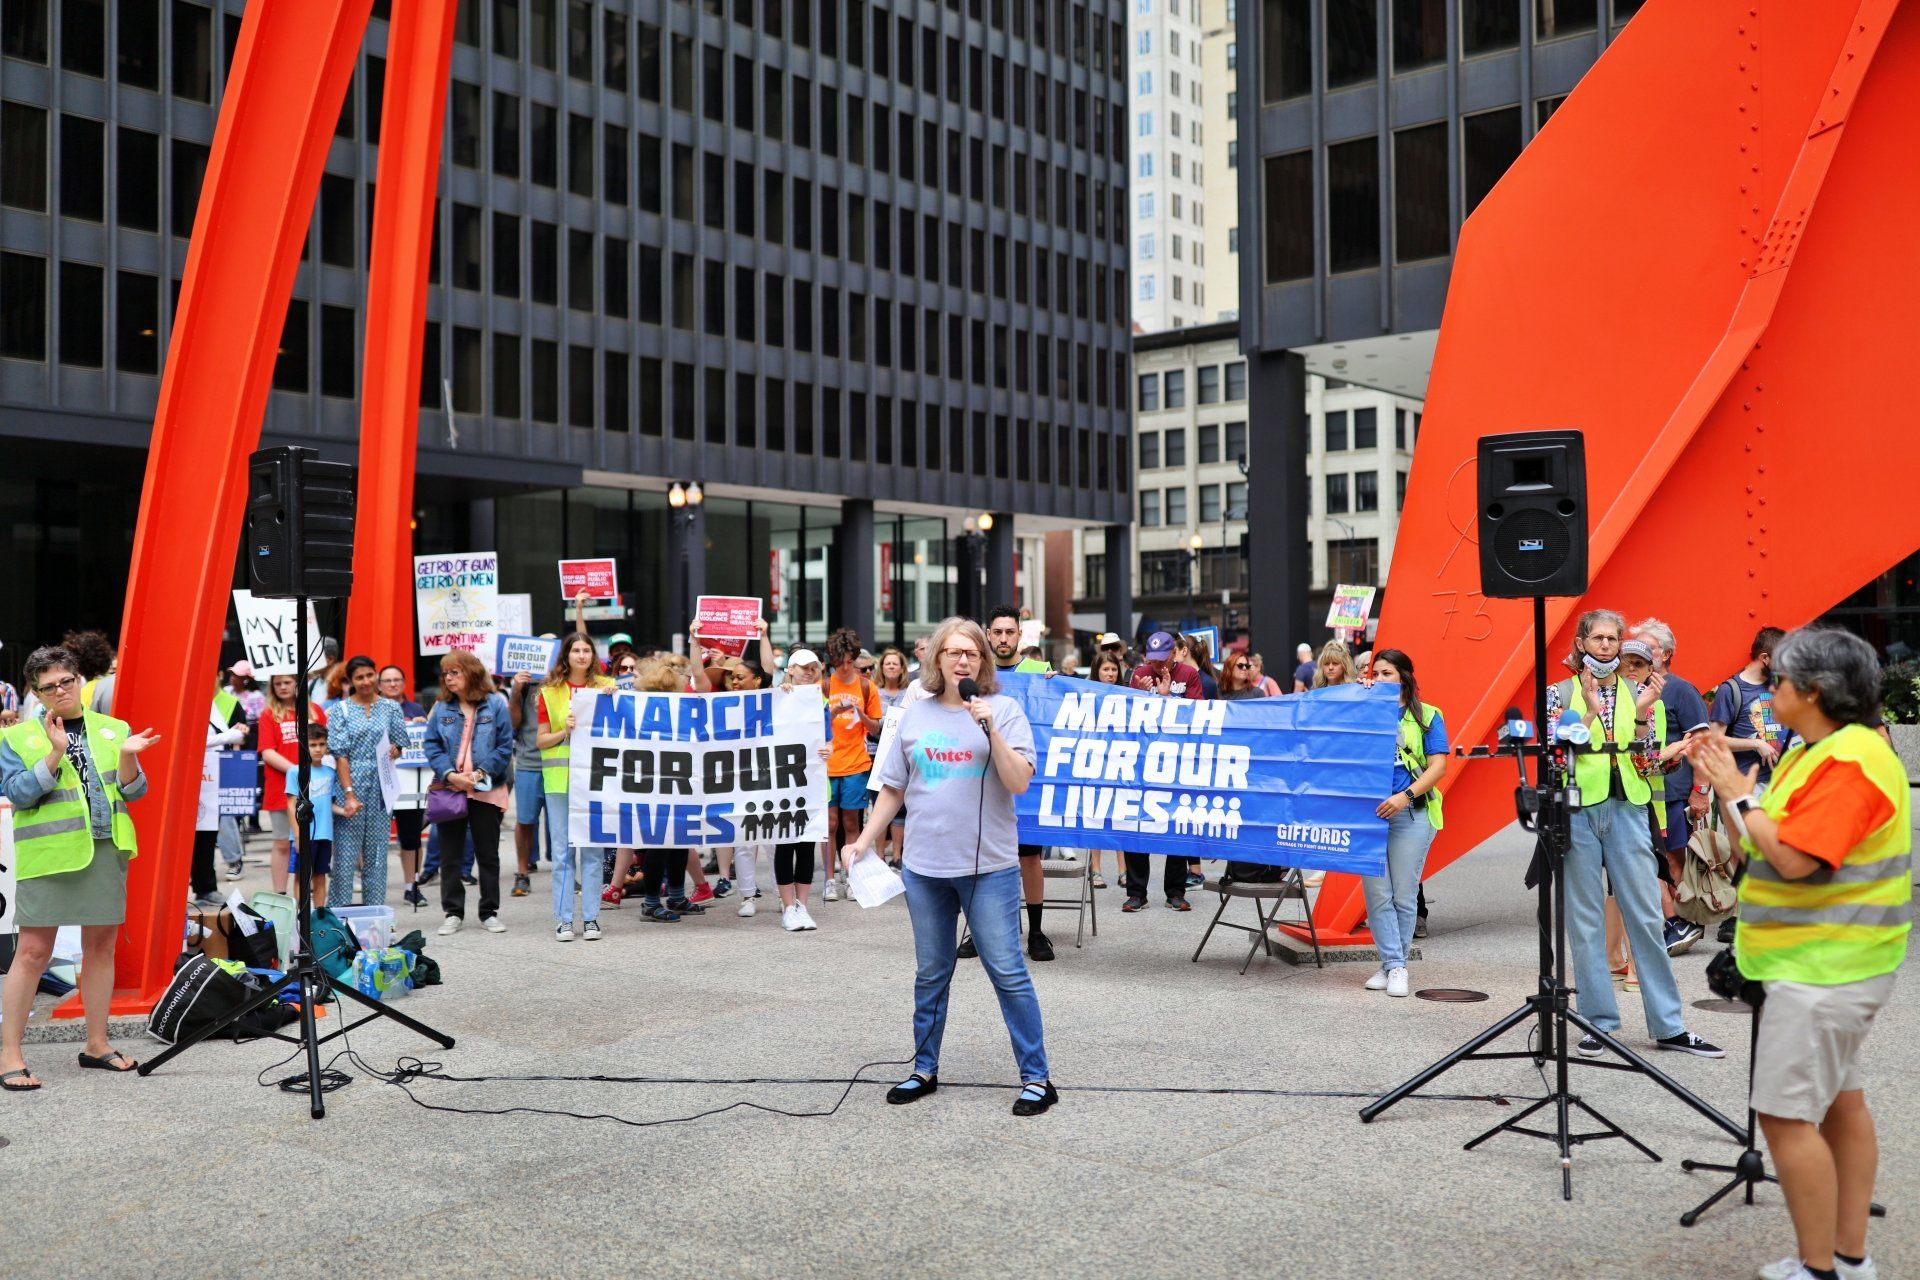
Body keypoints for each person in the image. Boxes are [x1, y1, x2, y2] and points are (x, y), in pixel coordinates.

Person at [1686, 629, 1907, 1280]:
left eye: (1779, 681)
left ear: (1812, 693)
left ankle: (1823, 1270)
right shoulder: (1822, 750)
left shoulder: (1849, 762)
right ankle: (1845, 1258)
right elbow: (1761, 843)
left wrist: (1739, 791)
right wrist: (1728, 790)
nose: (1769, 690)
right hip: (1824, 965)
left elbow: (1793, 857)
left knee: (1783, 1116)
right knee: (1840, 1104)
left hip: (1825, 970)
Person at [842, 616, 1056, 1116]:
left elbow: (1019, 781)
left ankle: (1037, 1078)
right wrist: (864, 842)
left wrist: (990, 729)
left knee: (1007, 971)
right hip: (925, 868)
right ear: (936, 658)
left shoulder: (1003, 709)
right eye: (954, 652)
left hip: (989, 868)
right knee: (931, 973)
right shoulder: (914, 714)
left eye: (972, 653)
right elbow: (893, 787)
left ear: (983, 661)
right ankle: (924, 1068)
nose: (963, 660)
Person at [1545, 609, 1723, 1060]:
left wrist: (1643, 715)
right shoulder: (1558, 693)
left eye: (1613, 639)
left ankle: (1669, 1025)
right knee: (1584, 922)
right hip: (1579, 811)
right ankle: (1597, 1023)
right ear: (1582, 643)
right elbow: (1556, 757)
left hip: (1629, 809)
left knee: (1646, 917)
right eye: (1598, 638)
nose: (1606, 645)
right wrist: (1585, 708)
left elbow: (1650, 764)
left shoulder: (1643, 694)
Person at [0, 645, 159, 1090]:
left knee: (102, 948)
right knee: (32, 953)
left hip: (105, 851)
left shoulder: (114, 729)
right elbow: (19, 792)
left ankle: (96, 1044)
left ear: (79, 680)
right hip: (49, 856)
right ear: (36, 692)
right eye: (48, 687)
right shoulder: (15, 738)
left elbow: (135, 792)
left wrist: (129, 754)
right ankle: (9, 1053)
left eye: (66, 681)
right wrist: (54, 753)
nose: (60, 691)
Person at [1358, 650, 1448, 998]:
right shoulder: (1364, 712)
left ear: (1403, 677)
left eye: (1387, 673)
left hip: (1411, 811)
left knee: (1404, 894)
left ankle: (1396, 966)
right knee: (1376, 894)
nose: (1379, 678)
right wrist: (1355, 700)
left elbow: (1438, 767)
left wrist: (1404, 796)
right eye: (1375, 673)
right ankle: (1392, 964)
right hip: (1369, 815)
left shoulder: (1427, 716)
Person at [423, 648, 513, 937]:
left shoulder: (495, 704)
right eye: (445, 673)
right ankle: (452, 912)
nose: (448, 678)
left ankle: (489, 911)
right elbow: (431, 745)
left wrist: (479, 774)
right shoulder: (441, 707)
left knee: (487, 853)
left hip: (486, 789)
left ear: (470, 673)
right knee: (450, 854)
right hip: (451, 789)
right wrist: (451, 775)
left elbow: (504, 745)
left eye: (455, 672)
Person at [985, 605, 1056, 961]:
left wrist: (1056, 688)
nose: (1002, 638)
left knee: (1029, 857)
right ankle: (983, 931)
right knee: (984, 858)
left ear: (1019, 636)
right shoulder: (977, 674)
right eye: (997, 632)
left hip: (1027, 778)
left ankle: (1037, 932)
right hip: (983, 780)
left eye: (1008, 632)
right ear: (988, 635)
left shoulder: (1040, 673)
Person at [1121, 630, 1201, 914]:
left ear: (1173, 653)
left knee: (1176, 823)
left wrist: (1167, 700)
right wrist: (1140, 696)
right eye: (1151, 660)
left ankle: (1175, 891)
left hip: (1177, 760)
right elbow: (1126, 716)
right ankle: (1136, 891)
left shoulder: (1189, 675)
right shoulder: (1138, 673)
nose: (1155, 665)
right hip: (1143, 759)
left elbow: (1197, 716)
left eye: (1161, 659)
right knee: (1136, 822)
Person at [325, 655, 411, 909]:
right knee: (345, 856)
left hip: (382, 784)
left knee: (376, 856)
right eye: (359, 677)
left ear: (376, 675)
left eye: (369, 675)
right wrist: (349, 793)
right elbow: (340, 754)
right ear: (350, 681)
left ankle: (375, 915)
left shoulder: (391, 707)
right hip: (350, 781)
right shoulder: (340, 710)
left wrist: (396, 749)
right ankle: (338, 919)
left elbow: (400, 741)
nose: (365, 681)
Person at [822, 627, 883, 903]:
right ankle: (828, 879)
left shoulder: (865, 686)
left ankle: (851, 875)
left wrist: (860, 713)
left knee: (851, 822)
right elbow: (810, 725)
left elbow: (876, 728)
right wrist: (830, 712)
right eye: (841, 660)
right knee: (829, 824)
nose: (846, 666)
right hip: (827, 764)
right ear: (833, 660)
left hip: (856, 762)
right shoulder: (823, 686)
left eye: (850, 660)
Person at [260, 672, 327, 896]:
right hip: (280, 787)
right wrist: (296, 771)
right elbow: (267, 752)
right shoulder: (269, 714)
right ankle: (279, 893)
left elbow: (326, 745)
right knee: (281, 842)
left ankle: (306, 890)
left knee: (311, 840)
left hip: (315, 788)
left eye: (287, 682)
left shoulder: (315, 710)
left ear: (296, 684)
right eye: (277, 683)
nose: (282, 687)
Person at [377, 665, 431, 907]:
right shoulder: (373, 709)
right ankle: (374, 886)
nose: (392, 684)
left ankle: (412, 885)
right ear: (380, 685)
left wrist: (422, 725)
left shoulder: (415, 709)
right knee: (376, 837)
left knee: (411, 837)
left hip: (409, 783)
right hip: (380, 781)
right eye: (387, 680)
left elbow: (424, 742)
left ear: (404, 683)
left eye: (397, 679)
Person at [1712, 625, 1790, 792]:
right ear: (1764, 658)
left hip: (1783, 782)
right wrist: (1755, 744)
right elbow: (1714, 739)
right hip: (1749, 784)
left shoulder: (1780, 686)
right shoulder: (1731, 690)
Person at [1081, 651, 1127, 889]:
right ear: (1096, 671)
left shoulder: (1127, 694)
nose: (1110, 674)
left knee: (1119, 814)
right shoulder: (1087, 694)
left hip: (1119, 760)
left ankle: (1123, 870)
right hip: (1095, 760)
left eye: (1113, 669)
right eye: (1105, 669)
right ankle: (1095, 869)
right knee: (1095, 814)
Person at [287, 722, 345, 905]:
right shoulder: (295, 771)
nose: (318, 749)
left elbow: (329, 804)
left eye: (321, 744)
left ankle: (319, 917)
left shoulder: (330, 772)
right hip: (304, 834)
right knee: (302, 876)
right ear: (305, 745)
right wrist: (297, 836)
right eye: (313, 745)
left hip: (324, 834)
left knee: (320, 876)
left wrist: (344, 811)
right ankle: (301, 916)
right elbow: (291, 805)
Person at [873, 647, 914, 867]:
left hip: (902, 752)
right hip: (875, 753)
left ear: (902, 668)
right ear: (882, 667)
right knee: (880, 802)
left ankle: (897, 855)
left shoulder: (909, 692)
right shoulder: (874, 691)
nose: (891, 667)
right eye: (887, 663)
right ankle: (879, 854)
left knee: (901, 807)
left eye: (895, 664)